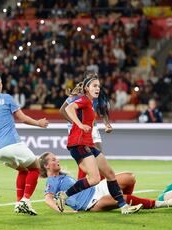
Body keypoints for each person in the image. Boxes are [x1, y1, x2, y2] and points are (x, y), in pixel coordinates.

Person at [56, 71, 142, 214]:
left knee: (110, 174)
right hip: (78, 144)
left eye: (99, 86)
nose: (97, 89)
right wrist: (79, 124)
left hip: (88, 144)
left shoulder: (89, 103)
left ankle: (123, 207)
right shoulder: (83, 99)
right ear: (86, 88)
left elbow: (101, 111)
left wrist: (106, 124)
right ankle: (64, 195)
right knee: (94, 178)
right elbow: (68, 108)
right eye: (94, 86)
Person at [0, 72, 49, 215]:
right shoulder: (6, 98)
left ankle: (18, 203)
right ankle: (25, 201)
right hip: (11, 144)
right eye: (1, 82)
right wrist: (38, 123)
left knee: (23, 170)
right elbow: (22, 118)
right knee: (35, 168)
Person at [40, 152, 172, 212]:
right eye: (53, 160)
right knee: (121, 198)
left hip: (96, 188)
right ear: (46, 166)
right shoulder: (52, 181)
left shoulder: (63, 176)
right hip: (91, 203)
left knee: (130, 177)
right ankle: (163, 204)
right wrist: (61, 212)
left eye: (56, 158)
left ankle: (129, 203)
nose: (57, 160)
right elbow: (48, 199)